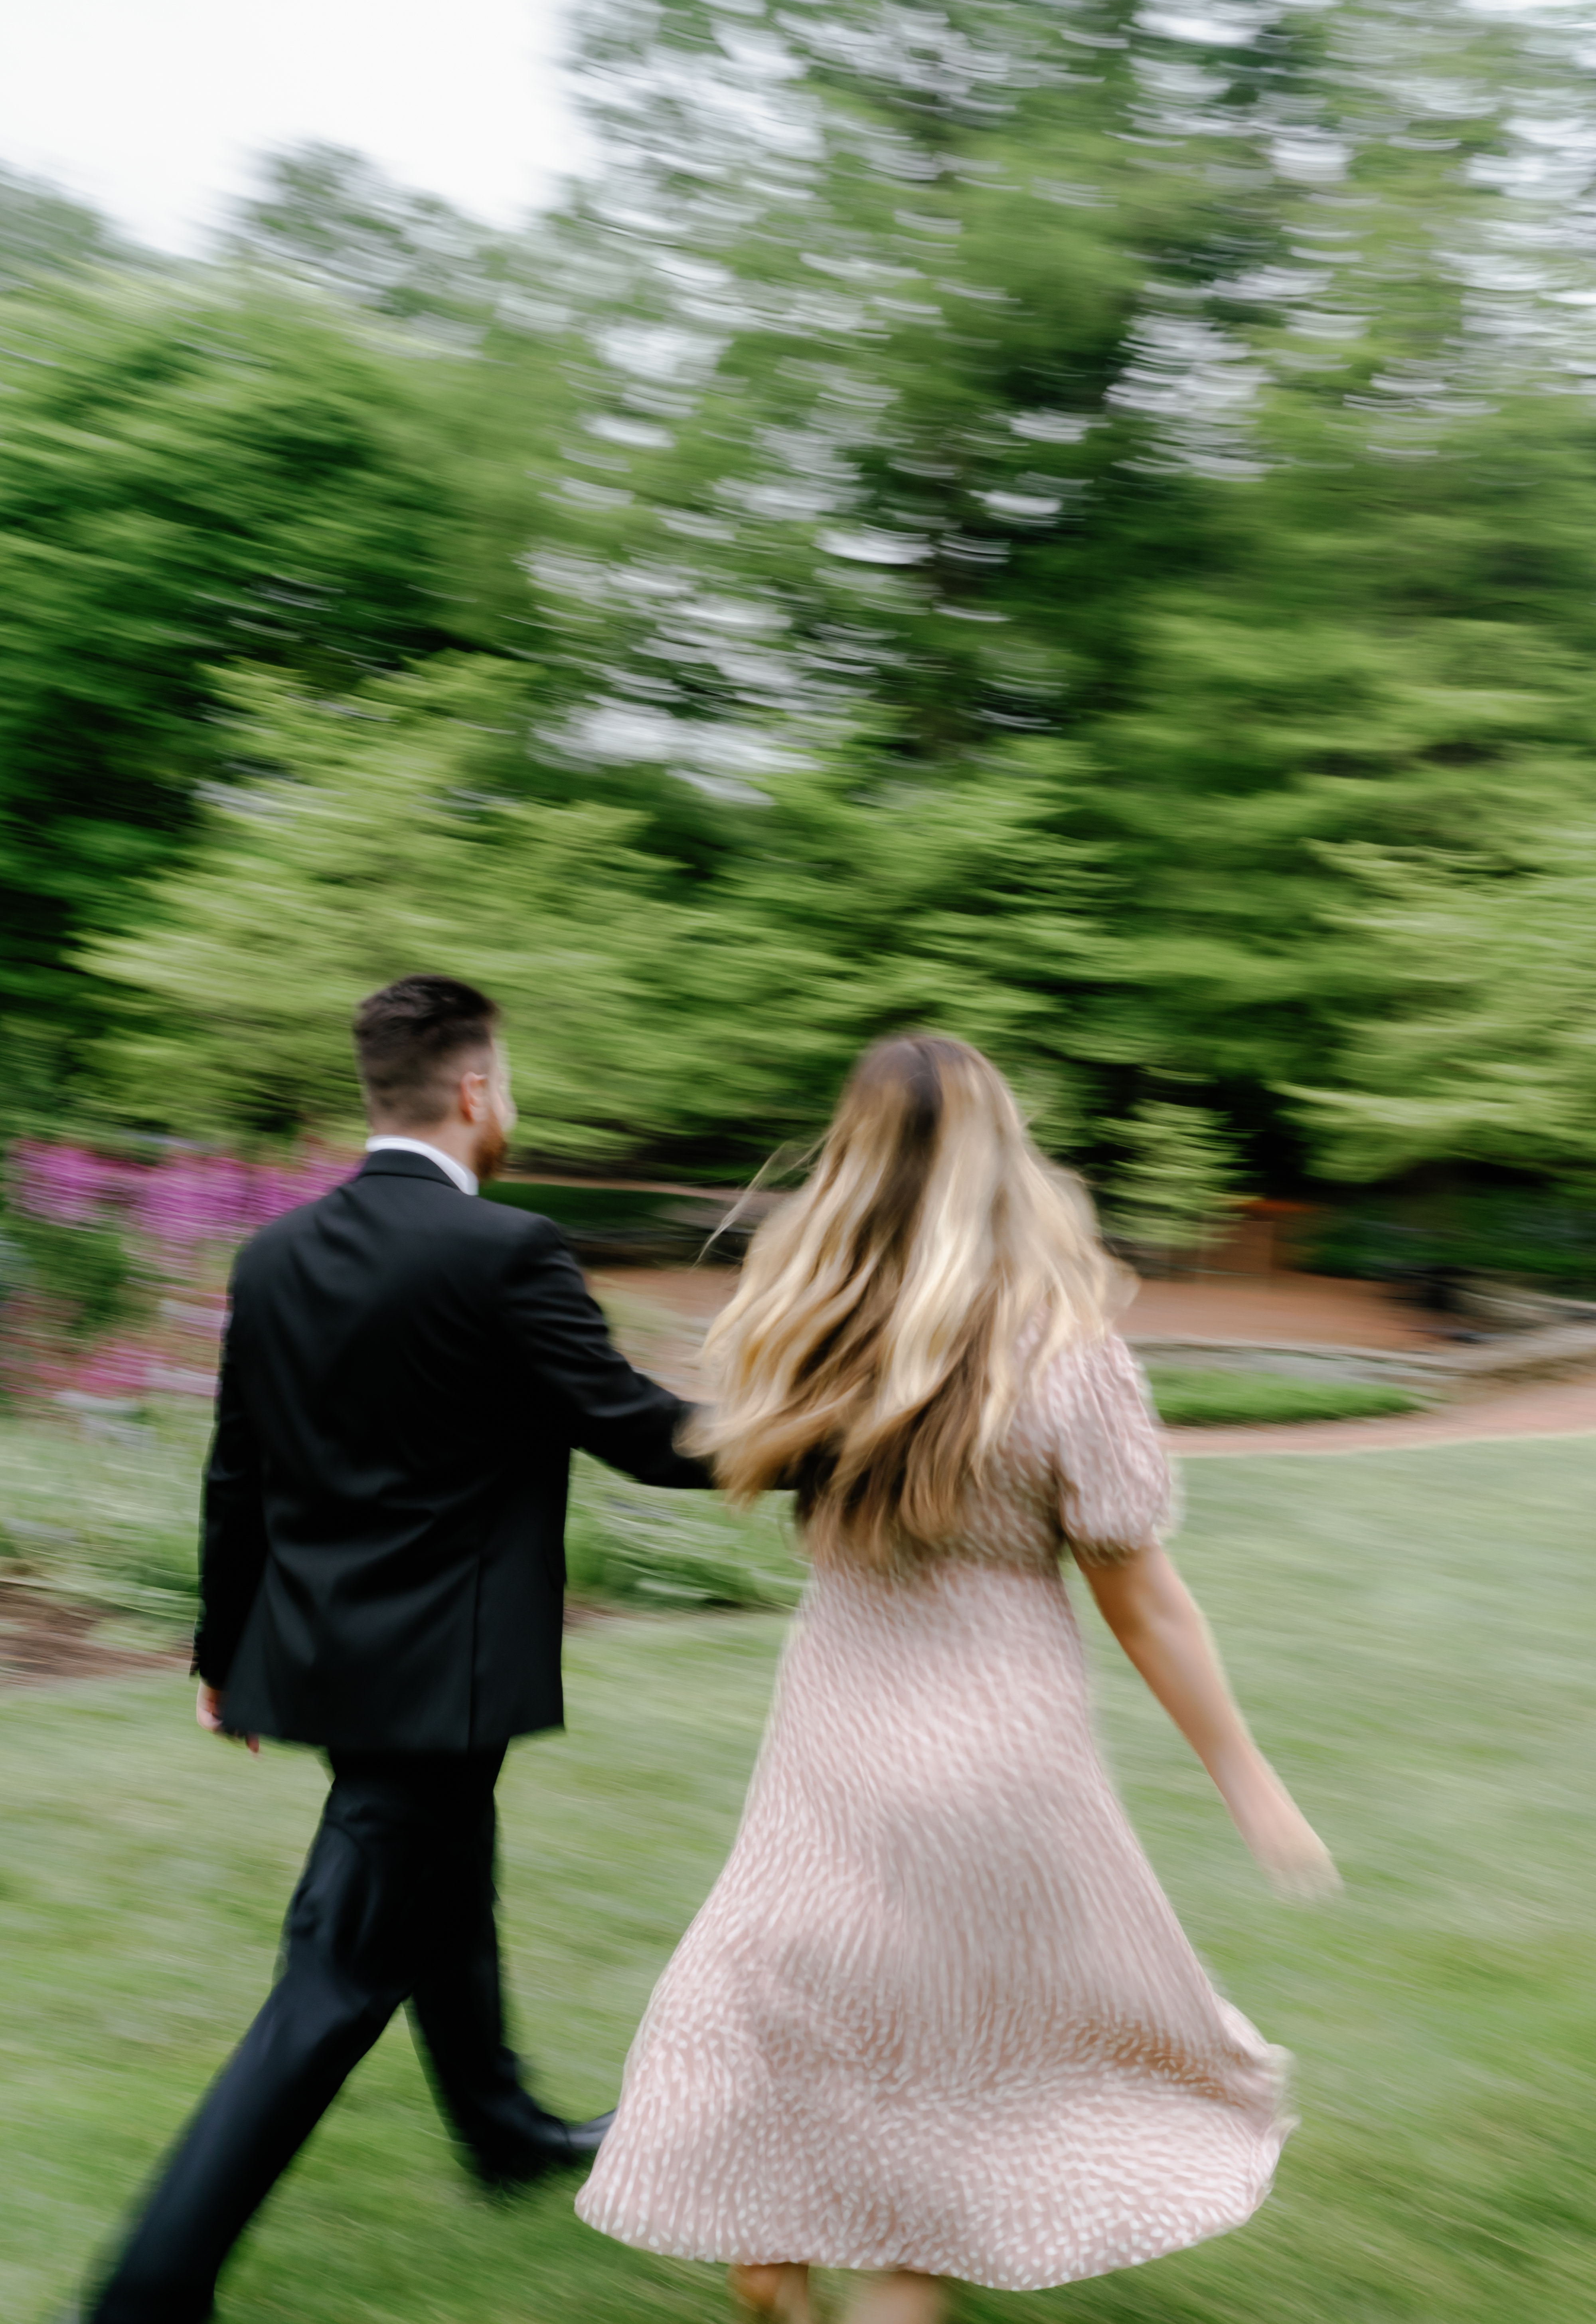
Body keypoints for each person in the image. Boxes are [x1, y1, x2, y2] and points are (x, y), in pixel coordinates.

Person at [577, 1035, 1336, 2324]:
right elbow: (1142, 1602)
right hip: (1003, 1740)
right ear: (1005, 1154)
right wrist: (1250, 1781)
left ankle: (773, 2243)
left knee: (780, 1986)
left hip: (840, 1722)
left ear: (852, 1155)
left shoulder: (805, 1325)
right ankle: (873, 2260)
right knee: (946, 2097)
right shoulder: (1066, 1348)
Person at [83, 974, 711, 2324]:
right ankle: (147, 2290)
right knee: (336, 1971)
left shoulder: (276, 1253)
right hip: (443, 1679)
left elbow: (235, 1470)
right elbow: (643, 1434)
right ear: (476, 1091)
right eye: (514, 1080)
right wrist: (848, 1439)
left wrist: (220, 1648)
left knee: (443, 1882)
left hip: (329, 1658)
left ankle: (502, 2131)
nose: (516, 1103)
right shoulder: (506, 1252)